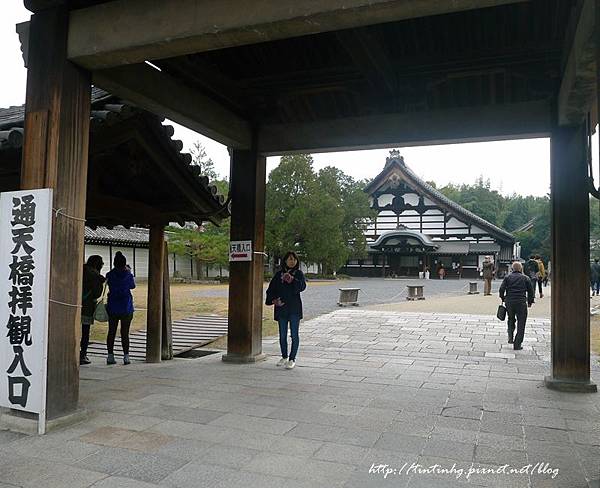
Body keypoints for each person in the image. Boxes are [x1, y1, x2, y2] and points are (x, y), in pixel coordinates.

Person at [265, 251, 307, 370]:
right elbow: (270, 290)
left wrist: (292, 280)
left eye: (294, 259)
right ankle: (284, 356)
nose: (292, 261)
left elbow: (302, 287)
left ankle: (292, 358)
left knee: (294, 334)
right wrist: (273, 300)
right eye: (289, 259)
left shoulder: (299, 274)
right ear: (285, 261)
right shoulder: (278, 275)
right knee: (282, 335)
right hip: (281, 308)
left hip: (294, 308)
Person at [105, 251, 136, 365]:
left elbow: (108, 283)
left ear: (114, 263)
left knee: (111, 331)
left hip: (112, 305)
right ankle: (126, 356)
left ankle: (110, 356)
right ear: (124, 263)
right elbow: (132, 286)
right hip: (126, 306)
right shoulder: (128, 275)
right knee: (125, 332)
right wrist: (129, 271)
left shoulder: (110, 274)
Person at [499, 261, 534, 350]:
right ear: (521, 269)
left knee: (511, 318)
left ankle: (510, 336)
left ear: (512, 269)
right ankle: (517, 344)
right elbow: (531, 291)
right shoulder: (525, 278)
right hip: (521, 302)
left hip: (510, 301)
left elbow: (501, 289)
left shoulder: (507, 277)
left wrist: (503, 298)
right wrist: (530, 301)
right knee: (521, 322)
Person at [80, 255, 105, 365]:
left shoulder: (81, 269)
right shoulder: (95, 275)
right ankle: (83, 354)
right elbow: (97, 293)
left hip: (73, 305)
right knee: (85, 332)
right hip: (87, 307)